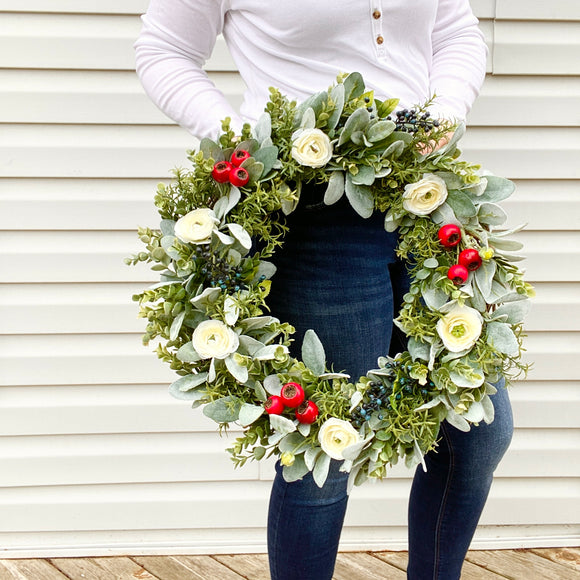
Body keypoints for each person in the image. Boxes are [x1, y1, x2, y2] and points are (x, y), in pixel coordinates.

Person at [134, 2, 514, 579]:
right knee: (323, 454)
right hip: (316, 221)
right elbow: (163, 50)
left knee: (479, 432)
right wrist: (247, 143)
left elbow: (456, 31)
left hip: (425, 203)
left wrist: (444, 112)